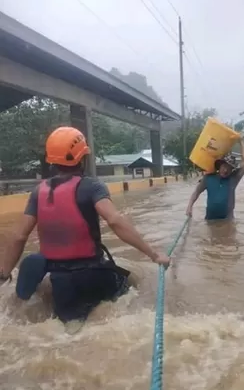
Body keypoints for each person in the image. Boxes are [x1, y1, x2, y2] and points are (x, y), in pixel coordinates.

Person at [0, 126, 171, 333]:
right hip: (94, 276)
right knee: (134, 291)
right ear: (82, 158)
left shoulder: (38, 192)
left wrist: (4, 274)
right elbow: (115, 221)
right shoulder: (92, 187)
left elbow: (19, 236)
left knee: (70, 330)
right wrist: (154, 255)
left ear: (51, 159)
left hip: (60, 284)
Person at [185, 138, 244, 220]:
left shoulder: (233, 179)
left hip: (228, 221)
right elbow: (196, 193)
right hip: (210, 220)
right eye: (224, 166)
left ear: (232, 170)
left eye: (229, 168)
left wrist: (241, 141)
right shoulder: (208, 178)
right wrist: (189, 207)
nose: (226, 170)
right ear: (220, 165)